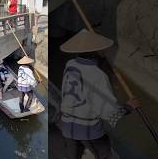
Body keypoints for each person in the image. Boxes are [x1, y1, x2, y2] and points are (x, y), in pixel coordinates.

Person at [59, 29, 141, 159]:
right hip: (88, 129)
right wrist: (130, 107)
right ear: (96, 53)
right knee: (105, 155)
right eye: (101, 50)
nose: (104, 52)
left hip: (67, 125)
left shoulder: (70, 65)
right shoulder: (98, 75)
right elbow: (110, 112)